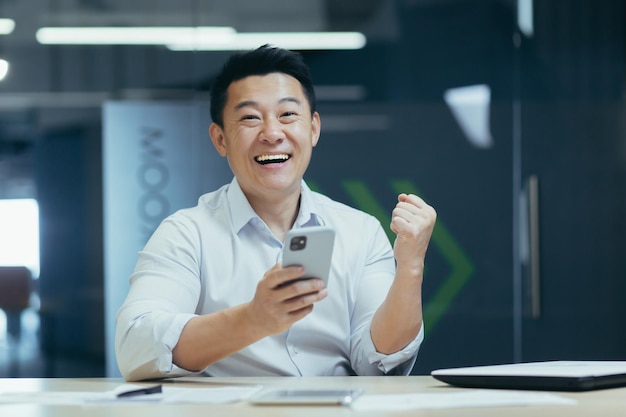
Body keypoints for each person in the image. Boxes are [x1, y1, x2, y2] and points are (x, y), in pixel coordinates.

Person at [115, 44, 437, 381]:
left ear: (313, 128)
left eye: (287, 115)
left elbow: (378, 361)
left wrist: (411, 266)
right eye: (250, 118)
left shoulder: (360, 231)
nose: (272, 134)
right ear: (220, 139)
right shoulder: (186, 232)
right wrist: (251, 320)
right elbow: (135, 345)